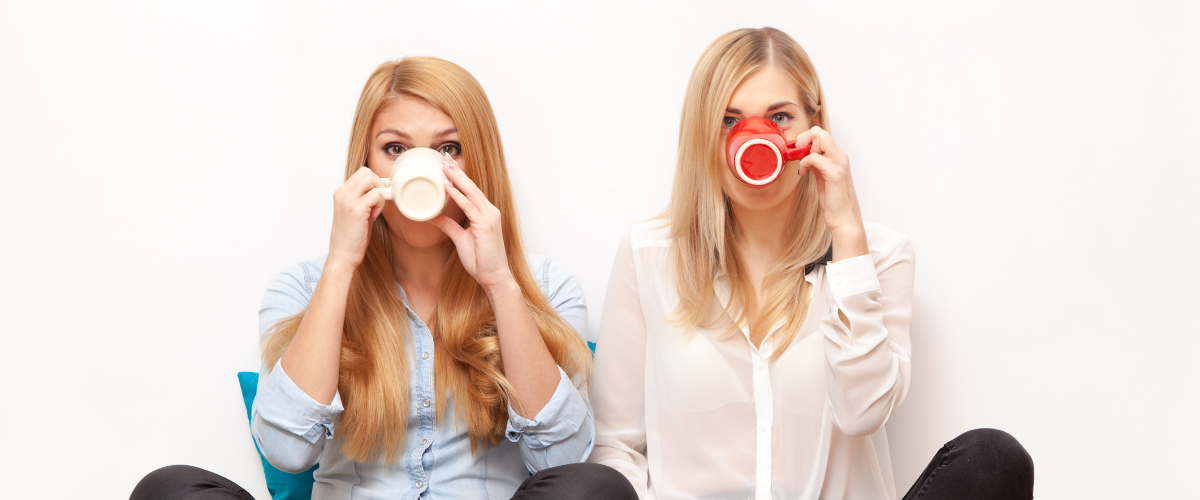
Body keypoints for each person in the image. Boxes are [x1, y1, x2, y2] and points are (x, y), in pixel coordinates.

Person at [132, 57, 636, 500]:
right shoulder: (304, 287)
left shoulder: (544, 287)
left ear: (477, 162)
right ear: (367, 165)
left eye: (449, 149)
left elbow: (564, 463)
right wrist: (340, 266)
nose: (425, 169)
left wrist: (500, 282)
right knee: (167, 489)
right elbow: (287, 452)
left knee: (599, 490)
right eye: (396, 149)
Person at [587, 28, 1034, 500]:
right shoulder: (647, 257)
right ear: (702, 134)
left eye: (779, 117)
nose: (754, 139)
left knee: (992, 460)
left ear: (812, 127)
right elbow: (615, 448)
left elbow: (863, 411)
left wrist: (847, 235)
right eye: (728, 120)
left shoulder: (879, 258)